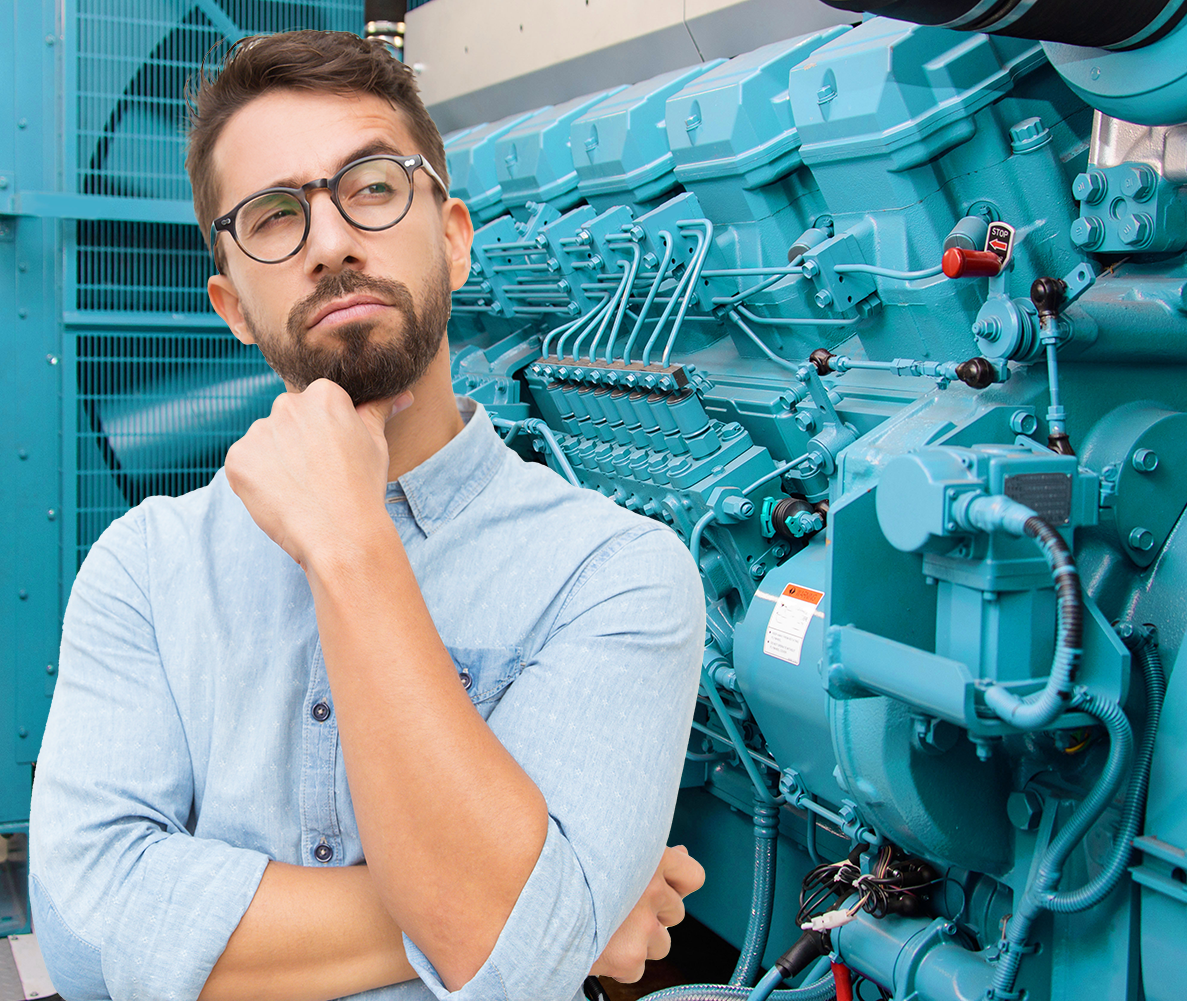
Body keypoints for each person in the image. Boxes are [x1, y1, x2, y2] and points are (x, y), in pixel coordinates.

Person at [29, 29, 708, 1001]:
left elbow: (506, 956)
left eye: (374, 186)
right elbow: (86, 930)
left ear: (455, 236)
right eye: (272, 216)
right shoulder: (144, 565)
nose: (333, 241)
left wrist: (349, 541)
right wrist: (558, 911)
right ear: (232, 303)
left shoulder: (615, 571)